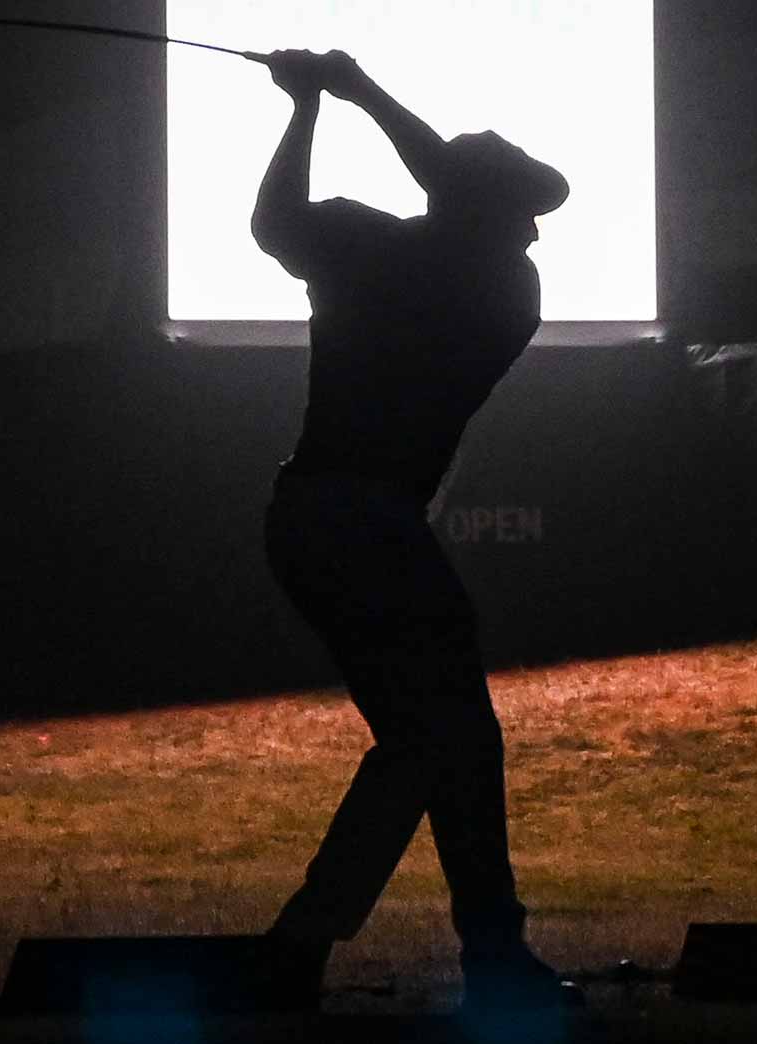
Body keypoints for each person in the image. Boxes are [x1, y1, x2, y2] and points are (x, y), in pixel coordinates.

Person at [248, 48, 580, 1012]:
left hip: (314, 516)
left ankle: (321, 944)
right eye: (516, 200)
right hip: (368, 525)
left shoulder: (375, 249)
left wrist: (318, 107)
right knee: (443, 739)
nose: (528, 222)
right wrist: (345, 96)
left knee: (436, 742)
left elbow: (274, 223)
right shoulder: (503, 291)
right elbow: (444, 185)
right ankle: (427, 951)